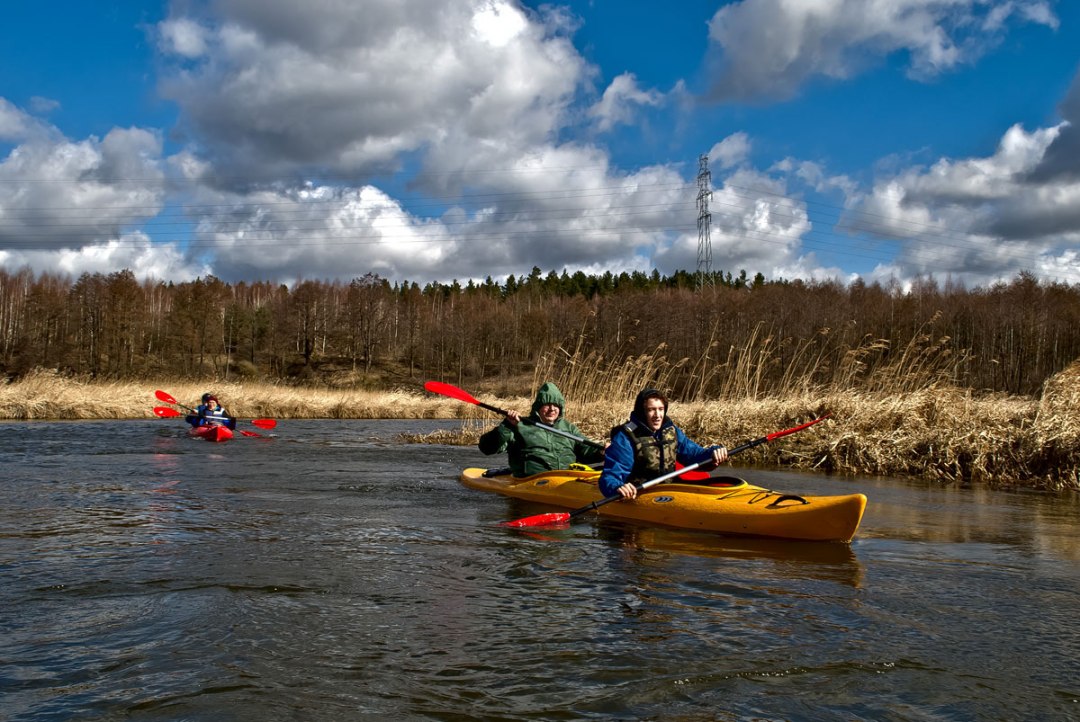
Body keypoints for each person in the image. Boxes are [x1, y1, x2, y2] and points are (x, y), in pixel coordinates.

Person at [599, 387, 728, 499]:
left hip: (668, 491)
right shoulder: (626, 437)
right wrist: (617, 487)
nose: (657, 415)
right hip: (638, 493)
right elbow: (611, 475)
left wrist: (713, 453)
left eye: (661, 409)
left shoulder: (671, 431)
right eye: (651, 410)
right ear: (642, 412)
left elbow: (694, 454)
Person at [478, 381, 605, 477]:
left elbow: (586, 452)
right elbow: (486, 448)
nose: (552, 409)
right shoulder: (519, 426)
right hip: (532, 481)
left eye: (556, 405)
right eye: (547, 405)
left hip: (567, 478)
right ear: (538, 408)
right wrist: (507, 425)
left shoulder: (568, 427)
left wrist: (601, 452)